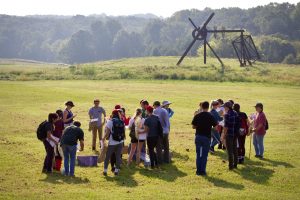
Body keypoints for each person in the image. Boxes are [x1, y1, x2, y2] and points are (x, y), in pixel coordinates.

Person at [192, 101, 218, 176]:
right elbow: (216, 127)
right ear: (208, 107)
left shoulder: (197, 115)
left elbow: (193, 126)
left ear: (201, 107)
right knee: (204, 155)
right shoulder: (210, 116)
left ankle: (198, 170)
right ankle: (202, 171)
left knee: (198, 154)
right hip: (206, 137)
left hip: (198, 136)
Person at [102, 110, 125, 176]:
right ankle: (116, 171)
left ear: (112, 114)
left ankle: (105, 171)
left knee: (107, 156)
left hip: (112, 142)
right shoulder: (121, 121)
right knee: (118, 157)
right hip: (120, 141)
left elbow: (107, 133)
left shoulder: (110, 121)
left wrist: (103, 139)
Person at [221, 101, 240, 170]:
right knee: (235, 150)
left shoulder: (227, 114)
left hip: (229, 134)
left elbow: (226, 127)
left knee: (229, 151)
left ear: (227, 107)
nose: (224, 108)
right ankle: (235, 165)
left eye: (224, 107)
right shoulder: (235, 113)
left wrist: (223, 136)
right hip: (235, 134)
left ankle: (230, 166)